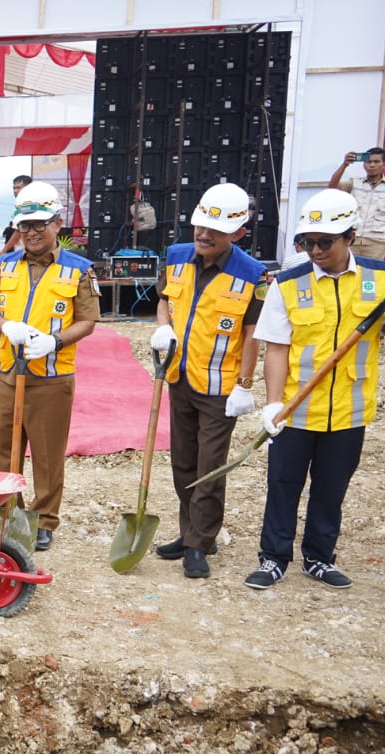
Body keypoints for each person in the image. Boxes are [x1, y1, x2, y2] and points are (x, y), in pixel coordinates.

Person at [245, 188, 385, 591]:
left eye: (325, 242)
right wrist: (272, 405)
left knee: (331, 487)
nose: (315, 250)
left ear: (350, 238)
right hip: (297, 407)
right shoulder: (289, 283)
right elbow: (277, 348)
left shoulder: (378, 276)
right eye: (307, 242)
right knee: (283, 484)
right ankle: (273, 558)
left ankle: (320, 558)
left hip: (349, 409)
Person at [0, 181, 99, 552]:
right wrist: (4, 326)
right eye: (24, 226)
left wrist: (55, 341)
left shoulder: (78, 270)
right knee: (3, 450)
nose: (30, 233)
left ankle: (44, 520)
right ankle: (7, 512)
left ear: (58, 223)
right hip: (6, 373)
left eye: (39, 224)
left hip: (51, 377)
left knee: (47, 454)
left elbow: (88, 320)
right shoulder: (4, 265)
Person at [149, 183, 265, 579]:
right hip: (179, 377)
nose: (203, 235)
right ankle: (191, 532)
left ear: (238, 233)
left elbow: (252, 334)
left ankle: (199, 544)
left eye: (214, 231)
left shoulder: (252, 274)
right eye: (200, 226)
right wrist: (163, 327)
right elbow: (164, 299)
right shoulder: (177, 257)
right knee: (183, 463)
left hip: (220, 388)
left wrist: (246, 385)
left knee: (210, 467)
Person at [329, 147, 385, 260]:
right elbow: (332, 187)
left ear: (384, 165)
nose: (372, 165)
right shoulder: (355, 183)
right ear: (364, 165)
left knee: (370, 275)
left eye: (376, 161)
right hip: (352, 238)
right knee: (349, 272)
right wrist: (344, 165)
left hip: (376, 242)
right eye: (369, 162)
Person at [1, 175, 33, 253]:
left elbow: (19, 232)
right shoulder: (23, 205)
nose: (15, 191)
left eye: (18, 188)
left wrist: (3, 251)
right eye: (14, 188)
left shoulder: (29, 206)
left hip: (26, 252)